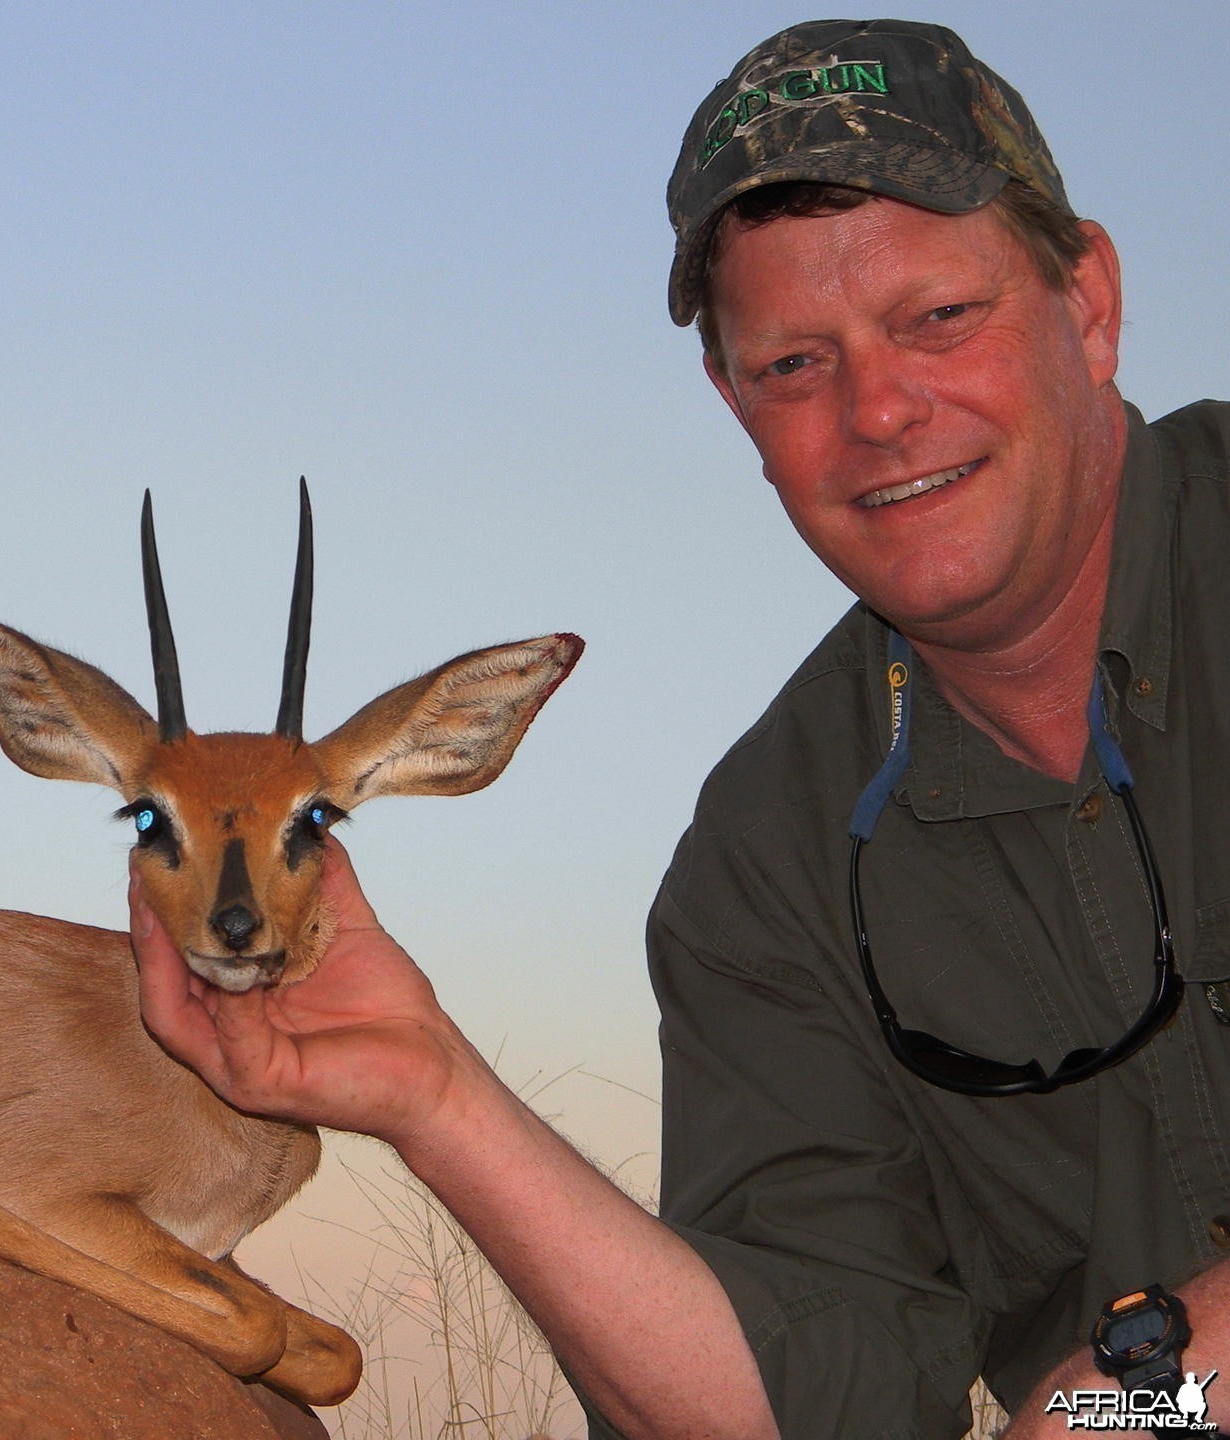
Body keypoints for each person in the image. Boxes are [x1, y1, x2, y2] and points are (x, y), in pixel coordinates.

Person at [131, 18, 1230, 1438]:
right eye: (793, 365)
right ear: (733, 403)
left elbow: (1137, 1412)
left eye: (939, 319)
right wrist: (436, 1096)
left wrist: (1144, 1397)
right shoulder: (767, 861)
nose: (882, 409)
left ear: (1088, 302)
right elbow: (787, 1408)